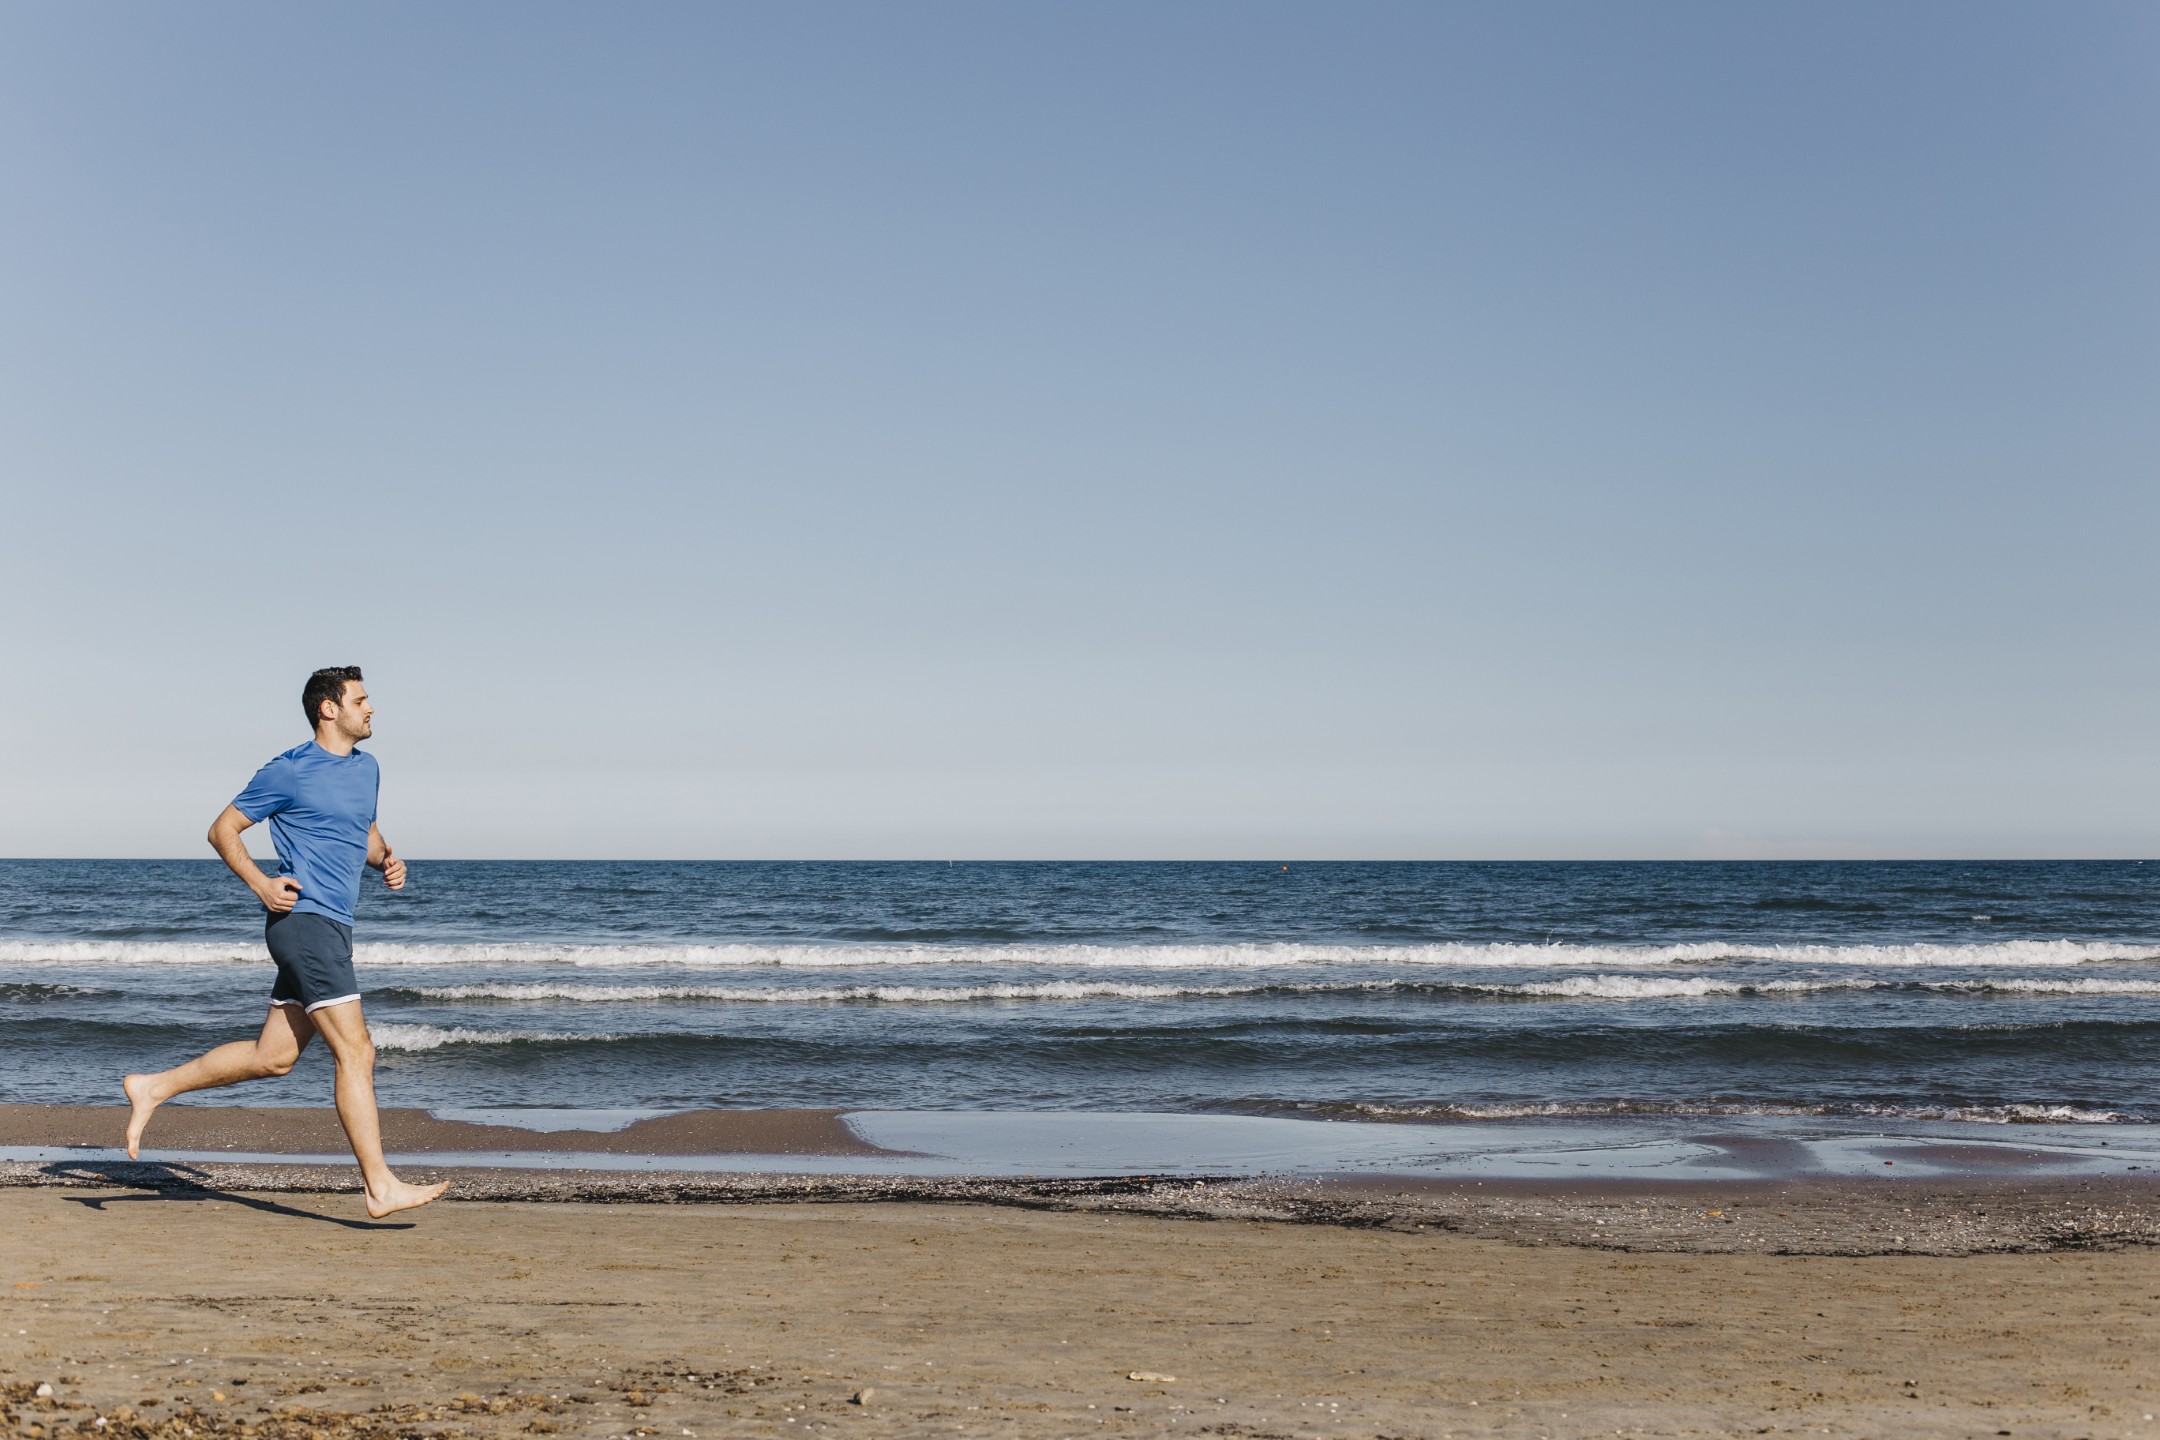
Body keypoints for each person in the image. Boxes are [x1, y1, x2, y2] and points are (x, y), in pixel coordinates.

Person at [122, 666, 449, 1218]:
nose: (371, 709)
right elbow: (222, 829)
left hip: (333, 925)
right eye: (361, 700)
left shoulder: (367, 768)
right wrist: (262, 885)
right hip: (305, 923)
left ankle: (153, 1086)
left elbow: (361, 829)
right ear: (329, 708)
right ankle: (379, 1185)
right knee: (356, 1050)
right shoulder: (289, 771)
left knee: (272, 1058)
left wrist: (387, 859)